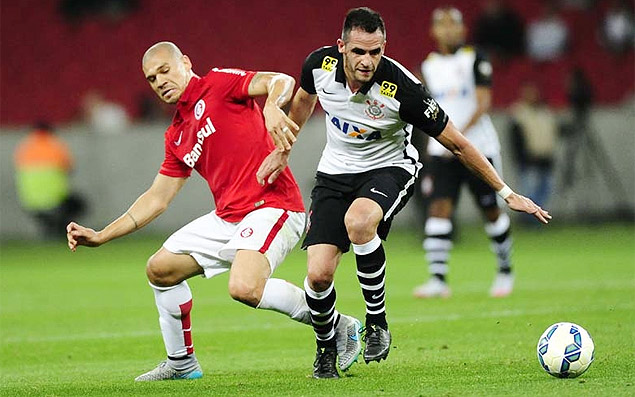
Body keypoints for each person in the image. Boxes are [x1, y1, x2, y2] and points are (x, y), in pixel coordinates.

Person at [258, 7, 550, 379]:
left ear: (384, 48)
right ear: (341, 47)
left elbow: (458, 144)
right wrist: (284, 150)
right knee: (317, 275)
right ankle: (327, 345)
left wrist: (506, 192)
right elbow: (302, 100)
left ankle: (377, 321)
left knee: (359, 221)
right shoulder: (317, 66)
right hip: (335, 172)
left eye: (375, 52)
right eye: (359, 51)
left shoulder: (404, 88)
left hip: (390, 167)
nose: (367, 61)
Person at [66, 41, 362, 382]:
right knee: (160, 269)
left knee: (245, 288)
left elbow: (280, 80)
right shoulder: (177, 133)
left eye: (165, 70)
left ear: (186, 63)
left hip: (273, 204)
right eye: (151, 78)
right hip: (228, 217)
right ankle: (181, 363)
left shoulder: (219, 83)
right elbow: (157, 198)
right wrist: (102, 235)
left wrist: (270, 107)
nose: (160, 81)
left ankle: (339, 324)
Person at [412, 6, 515, 299]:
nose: (448, 30)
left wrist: (457, 136)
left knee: (491, 211)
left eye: (453, 24)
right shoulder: (427, 66)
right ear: (433, 31)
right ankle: (437, 279)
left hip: (478, 149)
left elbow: (483, 103)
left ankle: (505, 270)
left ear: (463, 29)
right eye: (441, 25)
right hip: (441, 151)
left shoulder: (476, 59)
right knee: (438, 210)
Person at [14, 122, 85, 237]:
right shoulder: (55, 146)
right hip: (55, 199)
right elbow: (69, 168)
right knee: (79, 205)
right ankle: (63, 230)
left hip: (29, 201)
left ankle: (50, 228)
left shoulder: (24, 148)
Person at [510, 81, 558, 209]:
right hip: (528, 159)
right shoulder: (519, 113)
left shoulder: (544, 111)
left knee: (546, 188)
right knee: (528, 191)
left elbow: (552, 132)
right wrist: (521, 158)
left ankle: (537, 215)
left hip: (545, 157)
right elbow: (515, 139)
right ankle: (530, 218)